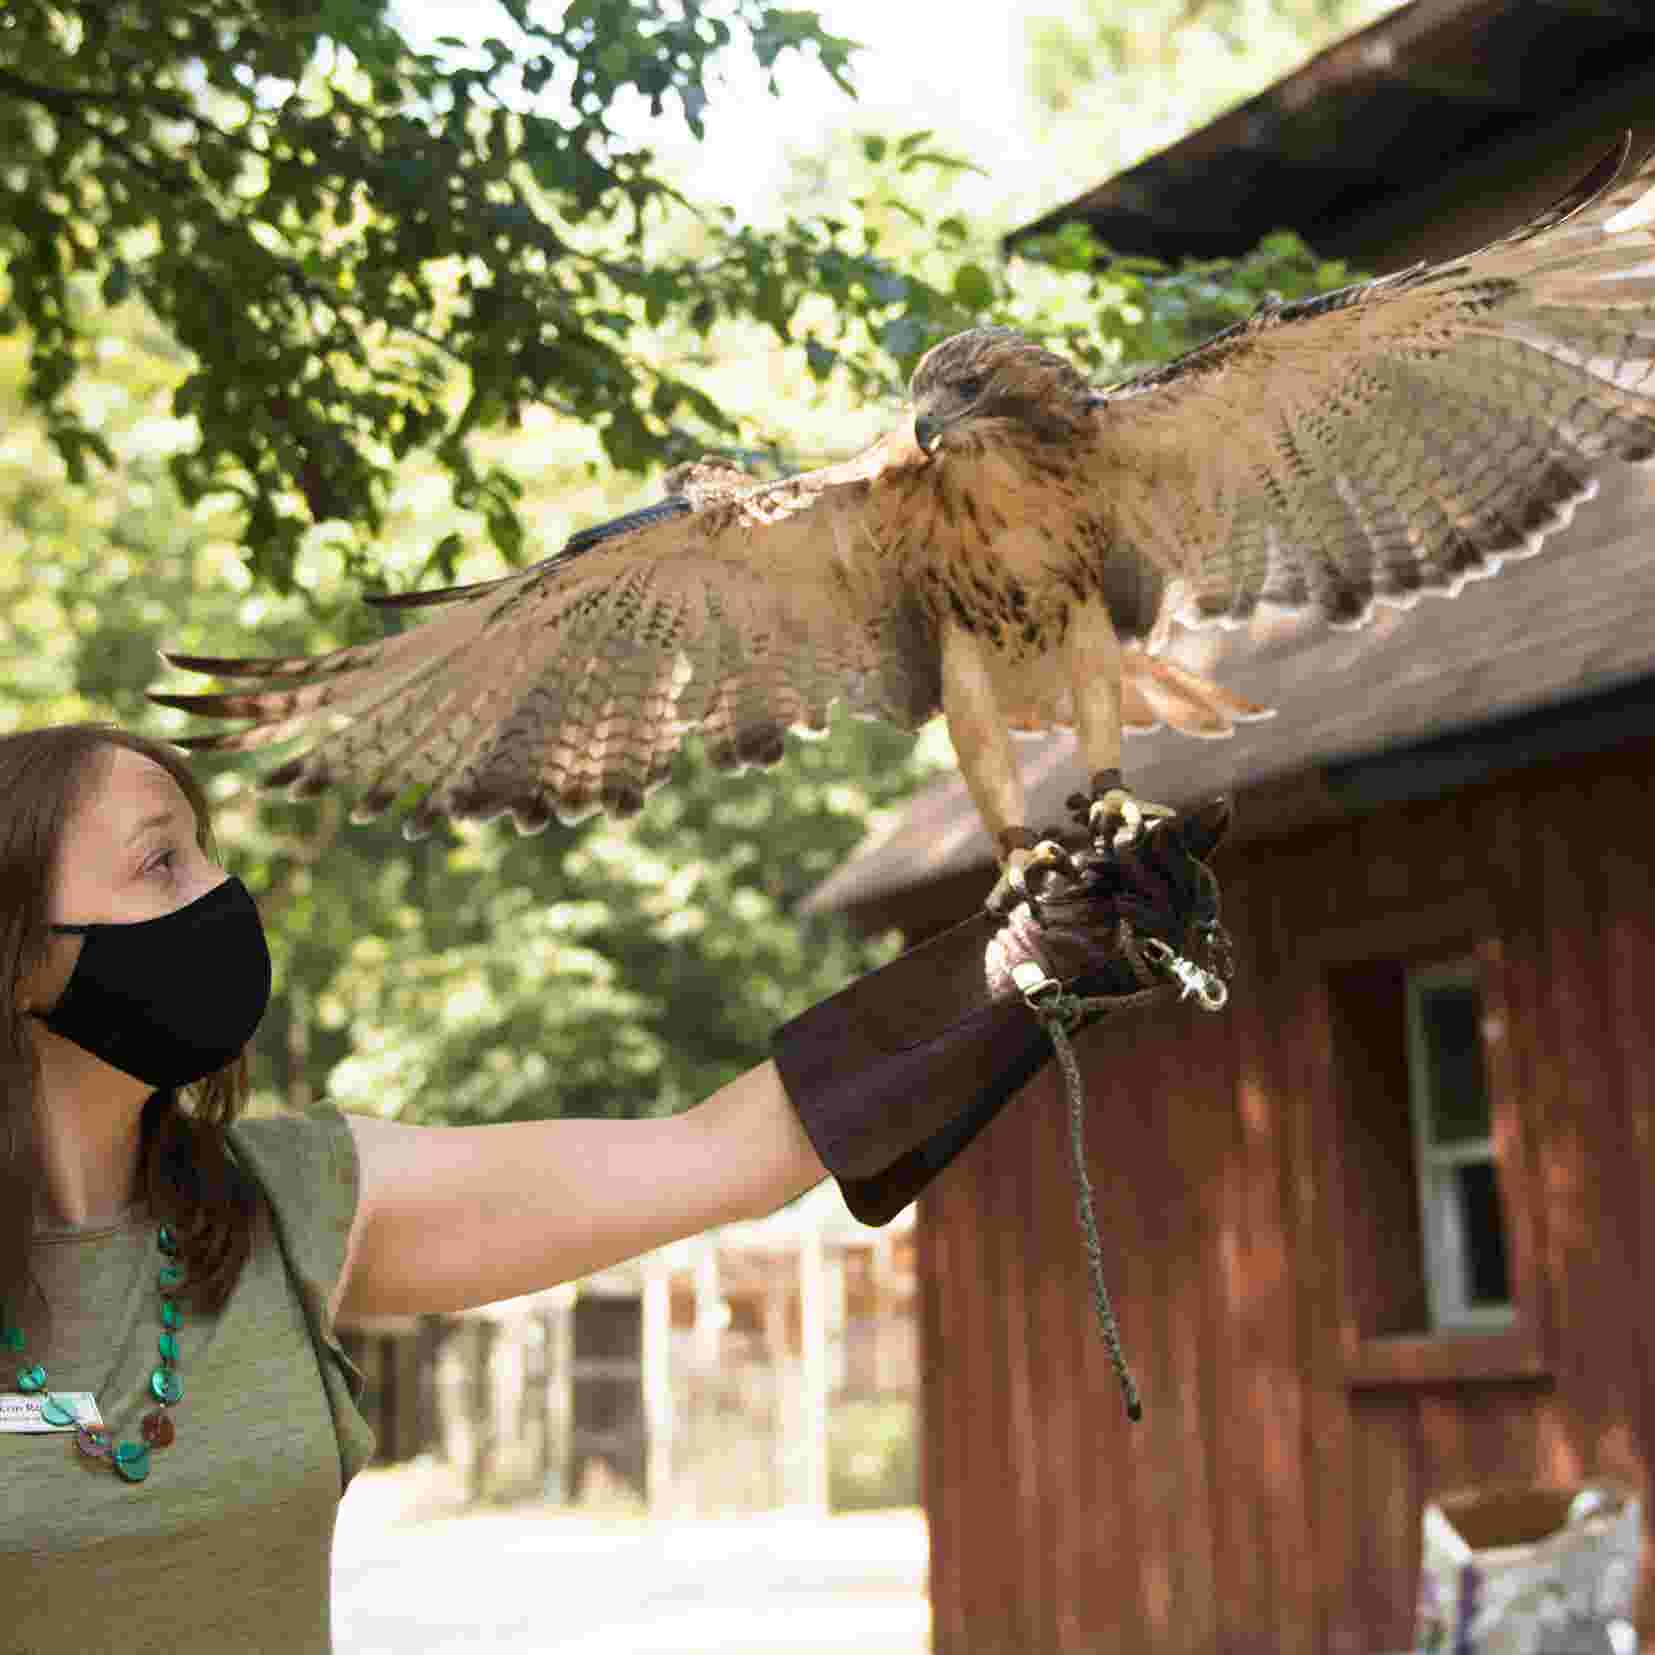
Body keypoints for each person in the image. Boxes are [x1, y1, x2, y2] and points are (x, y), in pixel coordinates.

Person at [0, 720, 1228, 1653]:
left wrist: (1014, 963)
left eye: (209, 852)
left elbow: (717, 1153)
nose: (220, 895)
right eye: (162, 864)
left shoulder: (291, 1204)